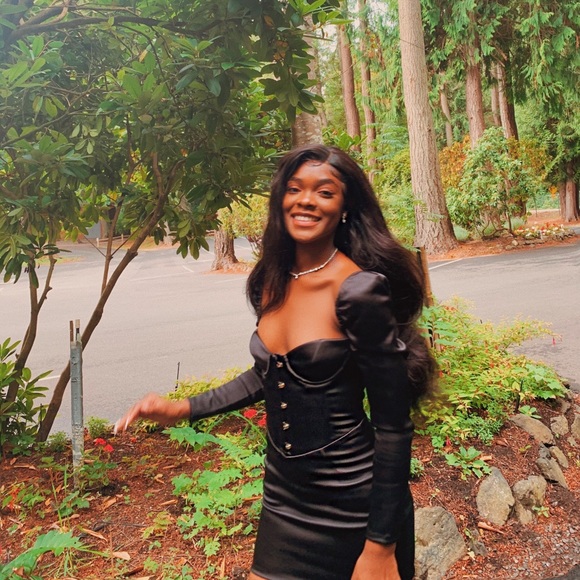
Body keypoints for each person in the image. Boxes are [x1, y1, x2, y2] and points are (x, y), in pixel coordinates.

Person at [115, 144, 437, 580]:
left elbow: (394, 427)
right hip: (284, 495)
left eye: (325, 192)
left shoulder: (359, 291)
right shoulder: (273, 279)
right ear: (281, 199)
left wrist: (381, 545)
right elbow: (267, 374)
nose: (306, 200)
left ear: (345, 208)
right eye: (295, 188)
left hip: (356, 503)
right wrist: (183, 408)